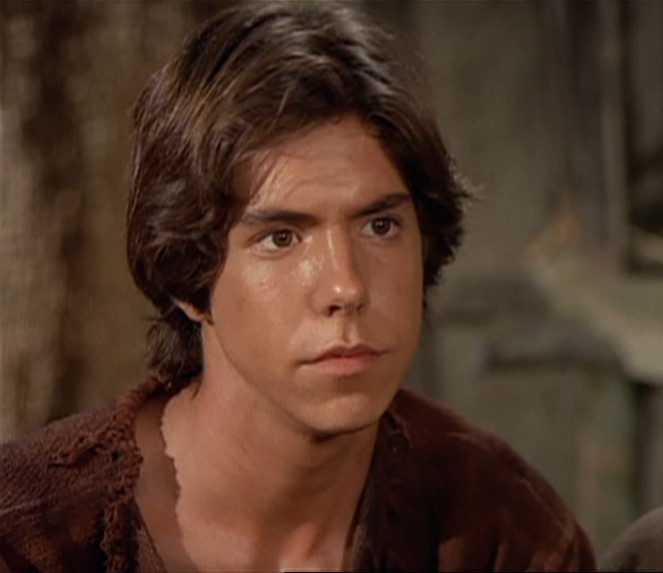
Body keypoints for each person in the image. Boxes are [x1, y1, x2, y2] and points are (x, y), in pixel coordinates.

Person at [0, 2, 596, 571]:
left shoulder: (500, 530)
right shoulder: (30, 539)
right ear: (188, 273)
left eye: (380, 226)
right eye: (281, 238)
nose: (346, 287)